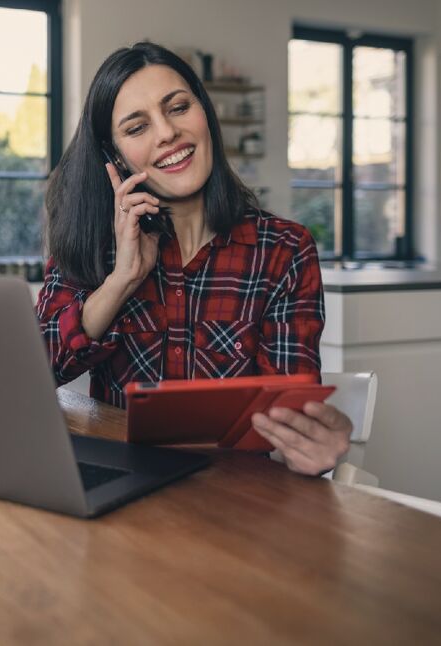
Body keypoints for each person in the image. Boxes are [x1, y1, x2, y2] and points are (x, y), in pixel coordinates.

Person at [36, 42, 351, 476]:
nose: (167, 133)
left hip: (234, 505)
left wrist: (312, 447)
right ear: (115, 158)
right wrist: (122, 280)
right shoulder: (89, 244)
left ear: (205, 114)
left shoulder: (284, 250)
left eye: (178, 107)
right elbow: (37, 370)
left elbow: (288, 422)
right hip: (120, 499)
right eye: (136, 127)